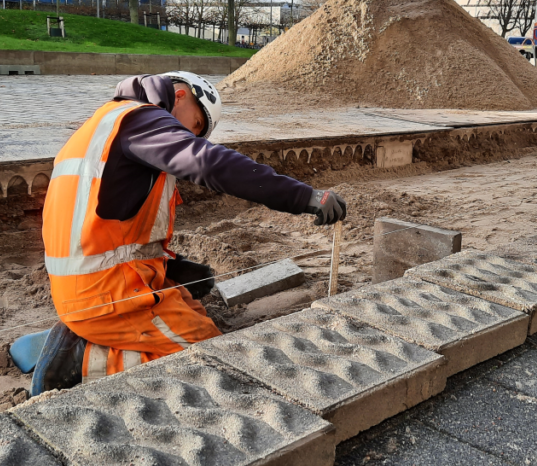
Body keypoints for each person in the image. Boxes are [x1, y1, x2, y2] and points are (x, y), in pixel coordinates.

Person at [29, 72, 347, 394]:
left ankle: (89, 331)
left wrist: (172, 266)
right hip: (107, 292)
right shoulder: (143, 119)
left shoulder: (106, 122)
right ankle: (82, 359)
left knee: (195, 312)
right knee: (208, 359)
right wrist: (302, 196)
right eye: (195, 125)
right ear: (180, 95)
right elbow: (208, 163)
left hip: (87, 282)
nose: (189, 135)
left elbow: (105, 223)